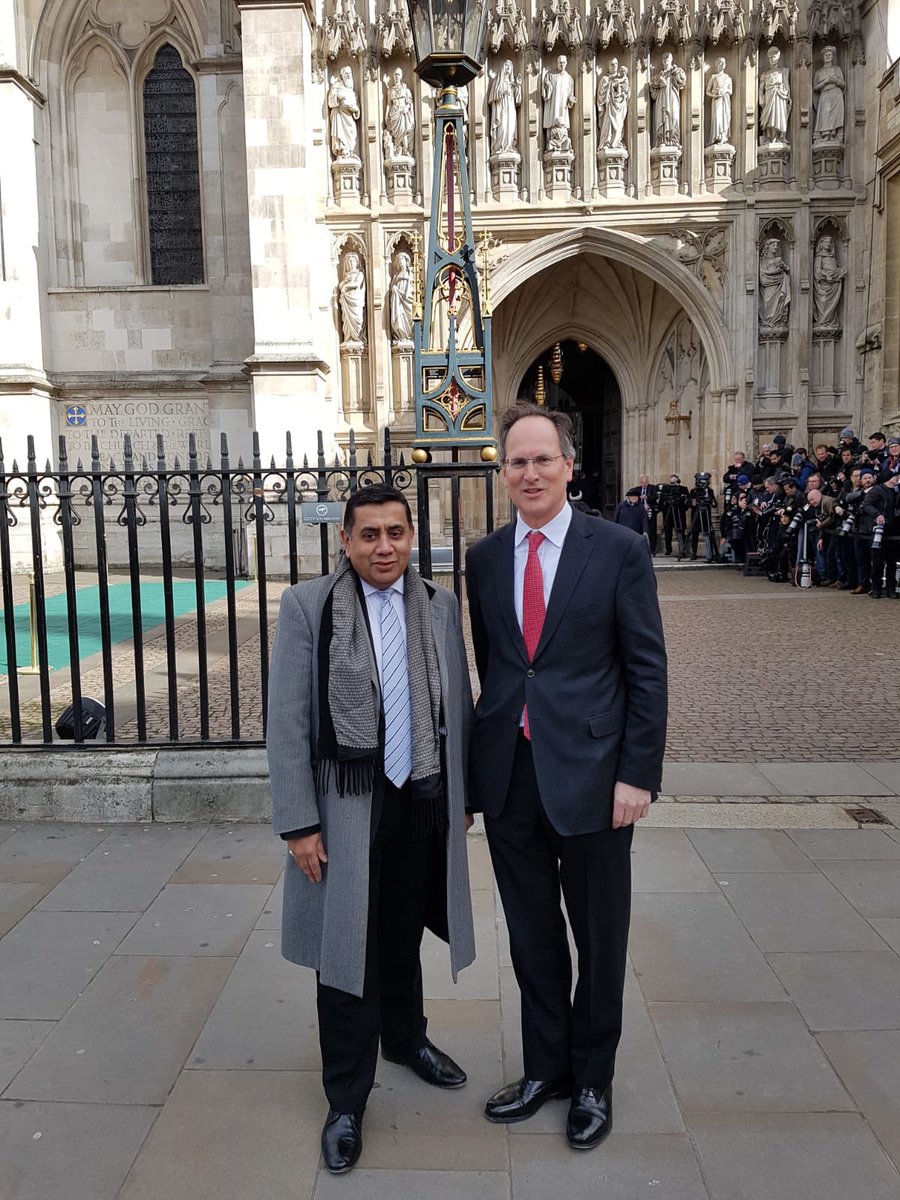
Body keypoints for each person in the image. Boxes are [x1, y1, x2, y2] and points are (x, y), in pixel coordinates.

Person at [465, 402, 667, 1152]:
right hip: (512, 777)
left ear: (568, 466)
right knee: (531, 936)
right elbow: (498, 667)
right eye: (516, 461)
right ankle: (545, 1068)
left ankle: (593, 1080)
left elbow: (647, 668)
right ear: (504, 470)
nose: (529, 473)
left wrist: (636, 774)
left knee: (599, 936)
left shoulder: (616, 549)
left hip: (594, 779)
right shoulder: (485, 558)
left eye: (542, 459)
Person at [267, 484, 476, 1175]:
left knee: (402, 929)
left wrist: (461, 798)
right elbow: (288, 721)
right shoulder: (308, 607)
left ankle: (407, 1039)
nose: (384, 547)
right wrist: (298, 822)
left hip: (417, 798)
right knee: (345, 949)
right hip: (345, 805)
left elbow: (459, 705)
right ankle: (347, 1098)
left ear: (411, 536)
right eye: (369, 535)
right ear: (345, 541)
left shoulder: (439, 606)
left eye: (396, 533)